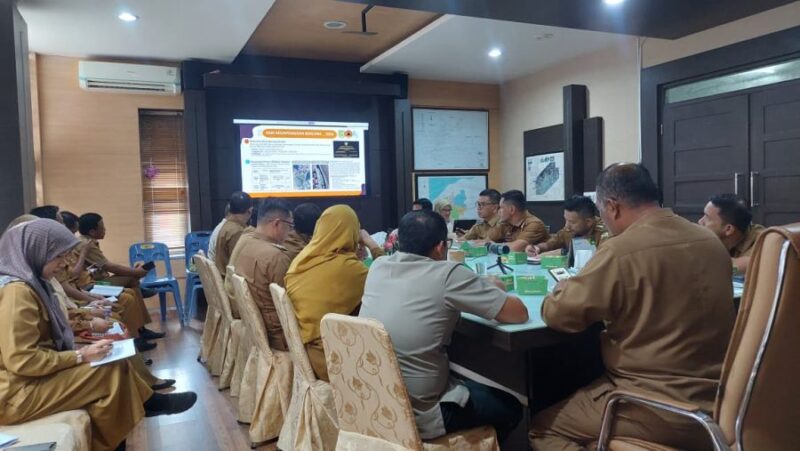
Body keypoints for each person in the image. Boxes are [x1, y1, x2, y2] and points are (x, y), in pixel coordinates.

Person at [528, 163, 736, 450]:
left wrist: (562, 289)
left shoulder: (620, 250)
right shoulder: (710, 241)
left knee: (543, 428)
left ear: (612, 207)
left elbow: (559, 315)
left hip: (652, 404)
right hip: (722, 397)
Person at [0, 219, 196, 451]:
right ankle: (145, 407)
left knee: (112, 363)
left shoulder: (32, 284)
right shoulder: (17, 292)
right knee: (108, 372)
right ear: (34, 252)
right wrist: (80, 356)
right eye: (57, 257)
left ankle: (139, 414)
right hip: (16, 393)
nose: (63, 264)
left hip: (29, 379)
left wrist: (81, 346)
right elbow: (23, 361)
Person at [359, 210, 528, 443]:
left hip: (376, 398)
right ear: (440, 247)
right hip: (422, 412)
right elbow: (518, 313)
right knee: (511, 407)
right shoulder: (447, 274)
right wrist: (493, 287)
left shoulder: (378, 266)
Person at [284, 205, 383, 382]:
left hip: (308, 352)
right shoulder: (349, 269)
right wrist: (371, 244)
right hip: (331, 358)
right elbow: (386, 278)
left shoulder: (303, 258)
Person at [76, 213, 163, 350]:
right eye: (102, 227)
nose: (105, 230)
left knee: (133, 286)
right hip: (95, 285)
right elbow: (109, 266)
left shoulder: (86, 241)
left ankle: (141, 329)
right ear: (92, 231)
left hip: (99, 280)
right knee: (132, 284)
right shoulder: (87, 244)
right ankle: (137, 335)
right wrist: (136, 273)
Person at [232, 199, 295, 351]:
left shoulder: (246, 244)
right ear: (277, 224)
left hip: (256, 330)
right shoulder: (276, 257)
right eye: (290, 226)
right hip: (279, 336)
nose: (291, 231)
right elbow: (291, 302)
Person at [698, 193, 765, 274]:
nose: (700, 221)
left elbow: (748, 266)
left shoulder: (763, 240)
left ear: (728, 229)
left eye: (707, 217)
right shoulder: (708, 239)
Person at [526, 195, 609, 257]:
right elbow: (550, 244)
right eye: (566, 220)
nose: (566, 226)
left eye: (572, 222)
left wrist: (563, 253)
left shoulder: (605, 232)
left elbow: (601, 260)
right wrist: (537, 248)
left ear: (588, 222)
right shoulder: (568, 230)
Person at [214, 192, 253, 277]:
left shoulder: (227, 226)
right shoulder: (238, 232)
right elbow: (241, 265)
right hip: (231, 284)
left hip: (224, 279)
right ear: (250, 211)